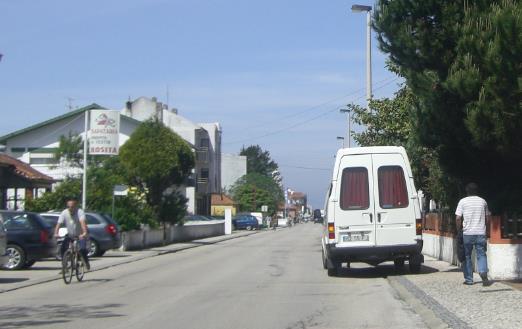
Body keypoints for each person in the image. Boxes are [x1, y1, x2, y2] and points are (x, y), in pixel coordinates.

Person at [455, 183, 490, 286]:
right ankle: (483, 272)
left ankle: (469, 279)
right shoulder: (482, 201)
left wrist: (459, 230)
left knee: (466, 256)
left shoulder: (463, 202)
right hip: (480, 232)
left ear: (467, 191)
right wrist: (486, 229)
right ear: (477, 191)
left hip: (467, 233)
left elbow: (458, 218)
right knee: (481, 254)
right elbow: (488, 217)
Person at [54, 198, 90, 271]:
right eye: (68, 207)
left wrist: (84, 233)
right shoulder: (64, 213)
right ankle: (65, 266)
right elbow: (59, 224)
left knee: (82, 249)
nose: (70, 208)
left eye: (72, 206)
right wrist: (56, 233)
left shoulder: (80, 212)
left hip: (80, 234)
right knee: (63, 248)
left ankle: (85, 261)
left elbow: (82, 222)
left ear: (75, 206)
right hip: (70, 235)